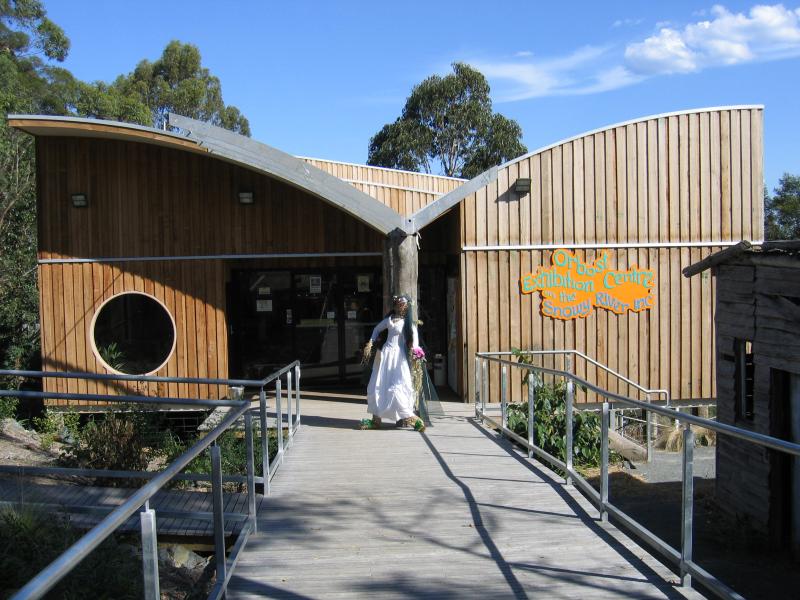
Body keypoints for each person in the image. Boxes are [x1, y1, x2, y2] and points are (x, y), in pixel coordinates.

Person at [362, 294, 422, 428]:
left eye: (402, 305)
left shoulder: (407, 323)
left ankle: (406, 417)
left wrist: (416, 351)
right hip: (385, 355)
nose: (400, 307)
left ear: (406, 307)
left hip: (398, 357)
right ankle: (376, 419)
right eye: (398, 304)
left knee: (398, 385)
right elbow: (376, 329)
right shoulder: (389, 320)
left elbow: (414, 339)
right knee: (378, 383)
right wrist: (371, 342)